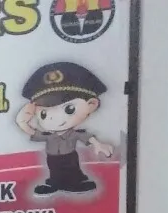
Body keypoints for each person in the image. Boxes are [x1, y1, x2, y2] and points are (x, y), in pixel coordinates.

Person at [16, 61, 114, 196]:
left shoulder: (73, 134)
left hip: (69, 158)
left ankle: (75, 183)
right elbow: (32, 132)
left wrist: (98, 144)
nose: (53, 118)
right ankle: (54, 183)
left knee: (72, 171)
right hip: (52, 159)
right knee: (54, 171)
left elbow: (85, 137)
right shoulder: (48, 135)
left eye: (69, 109)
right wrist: (21, 122)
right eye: (43, 114)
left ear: (91, 104)